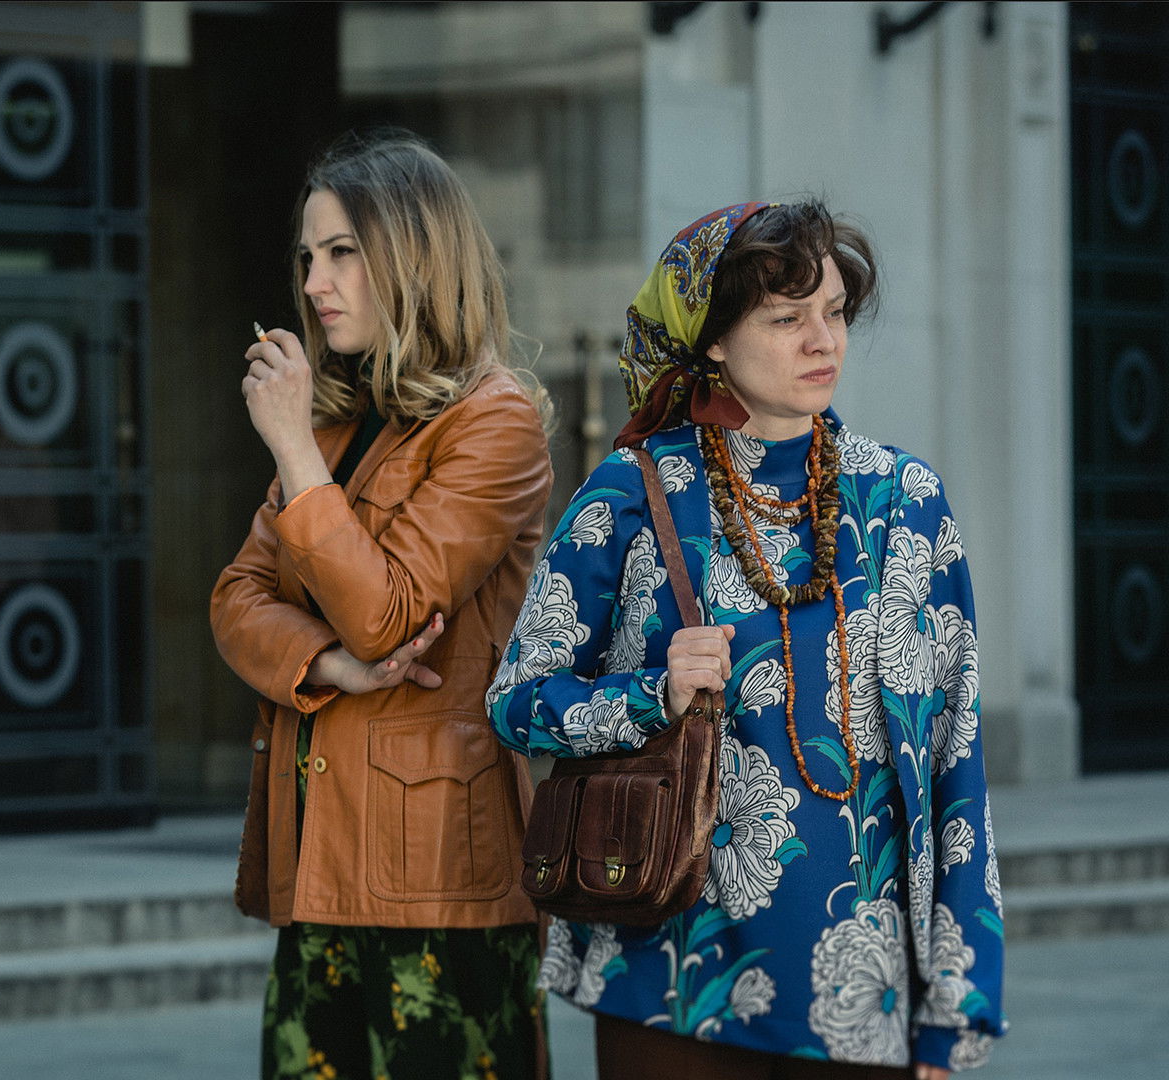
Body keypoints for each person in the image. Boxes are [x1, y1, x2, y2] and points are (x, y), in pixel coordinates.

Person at [486, 203, 1006, 1078]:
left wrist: (957, 1004)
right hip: (668, 976)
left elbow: (957, 762)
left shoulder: (905, 502)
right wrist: (650, 694)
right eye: (786, 317)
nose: (822, 340)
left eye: (834, 312)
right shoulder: (631, 492)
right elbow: (516, 701)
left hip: (861, 992)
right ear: (716, 341)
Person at [210, 132, 554, 1080]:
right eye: (307, 257)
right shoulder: (333, 421)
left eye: (343, 253)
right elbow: (235, 599)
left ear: (415, 255)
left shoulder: (495, 421)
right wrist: (330, 666)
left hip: (439, 878)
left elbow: (386, 616)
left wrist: (291, 448)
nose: (315, 283)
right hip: (316, 857)